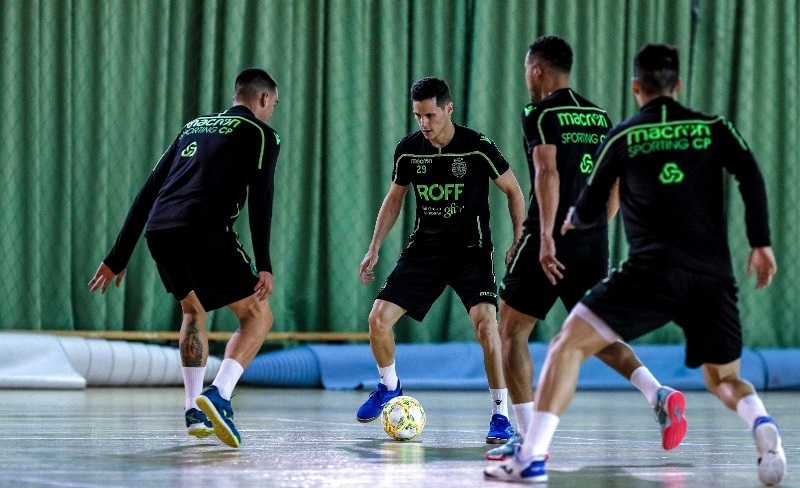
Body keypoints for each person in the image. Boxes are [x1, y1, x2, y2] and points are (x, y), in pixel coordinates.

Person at [485, 44, 786, 485]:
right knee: (723, 379)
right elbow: (750, 174)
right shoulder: (709, 127)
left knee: (556, 342)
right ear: (678, 85)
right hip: (710, 275)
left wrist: (559, 229)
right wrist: (760, 243)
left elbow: (566, 184)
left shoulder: (616, 133)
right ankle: (757, 420)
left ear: (635, 87)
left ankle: (530, 451)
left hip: (645, 270)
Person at [486, 36, 685, 462]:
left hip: (548, 239)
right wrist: (595, 230)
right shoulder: (600, 116)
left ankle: (526, 438)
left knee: (511, 332)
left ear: (536, 70)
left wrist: (546, 237)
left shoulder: (539, 113)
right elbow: (616, 181)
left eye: (527, 71)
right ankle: (658, 393)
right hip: (592, 240)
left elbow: (547, 172)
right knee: (594, 332)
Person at [88, 68, 281, 449]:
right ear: (263, 99)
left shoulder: (194, 126)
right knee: (258, 315)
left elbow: (149, 190)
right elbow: (262, 199)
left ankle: (194, 410)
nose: (272, 109)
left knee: (193, 310)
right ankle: (219, 395)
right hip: (205, 229)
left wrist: (118, 256)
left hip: (160, 230)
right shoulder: (261, 134)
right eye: (273, 103)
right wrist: (265, 263)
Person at [357, 77, 526, 444]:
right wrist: (374, 247)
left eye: (430, 115)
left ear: (448, 109)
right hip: (425, 252)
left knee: (487, 327)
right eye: (418, 115)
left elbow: (514, 191)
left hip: (471, 253)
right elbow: (395, 198)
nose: (424, 123)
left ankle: (500, 415)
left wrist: (518, 239)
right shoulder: (408, 150)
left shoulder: (477, 146)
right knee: (378, 320)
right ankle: (389, 386)